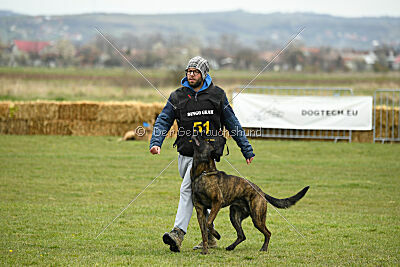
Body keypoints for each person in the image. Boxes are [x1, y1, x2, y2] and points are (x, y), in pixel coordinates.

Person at [149, 56, 255, 252]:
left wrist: (246, 148)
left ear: (204, 74)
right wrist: (156, 142)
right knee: (200, 195)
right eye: (188, 71)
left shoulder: (217, 95)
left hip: (207, 157)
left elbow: (232, 123)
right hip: (185, 153)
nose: (191, 75)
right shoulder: (177, 96)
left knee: (187, 190)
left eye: (195, 72)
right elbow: (163, 120)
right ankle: (210, 237)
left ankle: (178, 233)